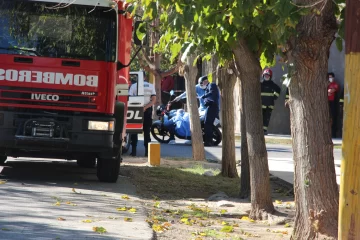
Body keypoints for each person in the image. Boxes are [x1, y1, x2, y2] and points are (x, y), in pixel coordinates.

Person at [128, 74, 156, 157]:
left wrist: (139, 107)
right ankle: (147, 153)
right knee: (147, 132)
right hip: (147, 110)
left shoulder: (133, 86)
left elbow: (130, 98)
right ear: (145, 77)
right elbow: (153, 100)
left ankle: (133, 152)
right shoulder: (151, 86)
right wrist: (145, 107)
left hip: (135, 110)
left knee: (134, 131)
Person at [200, 75, 220, 146]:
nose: (202, 85)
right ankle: (209, 140)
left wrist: (204, 96)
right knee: (208, 124)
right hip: (210, 107)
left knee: (207, 124)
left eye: (202, 83)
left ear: (205, 81)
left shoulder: (212, 85)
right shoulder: (207, 88)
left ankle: (208, 141)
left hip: (212, 107)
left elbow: (212, 92)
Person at [261, 68, 281, 135]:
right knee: (261, 117)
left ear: (270, 77)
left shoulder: (272, 85)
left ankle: (264, 130)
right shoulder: (261, 84)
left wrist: (275, 97)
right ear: (263, 76)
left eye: (268, 76)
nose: (266, 77)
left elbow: (278, 90)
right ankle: (261, 129)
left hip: (269, 105)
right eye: (265, 75)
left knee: (267, 118)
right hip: (261, 105)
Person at [327, 72, 339, 138]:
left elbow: (332, 90)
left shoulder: (335, 84)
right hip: (326, 102)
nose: (330, 78)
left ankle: (333, 133)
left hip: (333, 103)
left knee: (333, 117)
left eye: (331, 77)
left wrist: (329, 91)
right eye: (329, 77)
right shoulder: (325, 84)